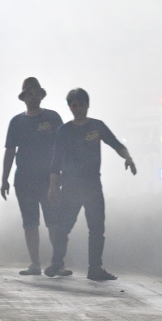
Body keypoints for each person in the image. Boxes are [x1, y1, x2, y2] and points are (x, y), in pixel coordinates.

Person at [46, 88, 136, 280]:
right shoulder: (64, 131)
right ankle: (56, 263)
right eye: (75, 105)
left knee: (97, 228)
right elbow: (56, 161)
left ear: (88, 105)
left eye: (82, 104)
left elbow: (116, 144)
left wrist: (127, 157)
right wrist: (53, 187)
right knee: (63, 227)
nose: (79, 109)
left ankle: (95, 268)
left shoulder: (97, 127)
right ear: (70, 107)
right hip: (70, 185)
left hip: (92, 185)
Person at [1, 78, 64, 275]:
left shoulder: (52, 118)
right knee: (30, 223)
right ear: (24, 97)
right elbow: (10, 151)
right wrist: (4, 179)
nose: (33, 96)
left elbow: (63, 147)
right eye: (29, 93)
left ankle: (58, 265)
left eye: (36, 92)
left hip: (49, 180)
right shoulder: (17, 121)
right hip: (24, 181)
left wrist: (63, 174)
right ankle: (35, 264)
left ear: (41, 95)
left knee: (54, 222)